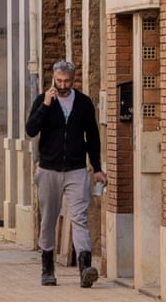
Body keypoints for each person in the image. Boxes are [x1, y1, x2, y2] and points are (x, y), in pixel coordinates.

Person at [25, 60, 106, 288]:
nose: (62, 85)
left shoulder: (83, 103)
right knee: (48, 220)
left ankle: (85, 269)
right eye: (59, 81)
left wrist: (97, 169)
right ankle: (47, 269)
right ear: (53, 79)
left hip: (76, 169)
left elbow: (93, 137)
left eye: (67, 81)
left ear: (74, 79)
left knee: (79, 218)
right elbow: (31, 130)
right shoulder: (43, 101)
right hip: (48, 170)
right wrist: (46, 106)